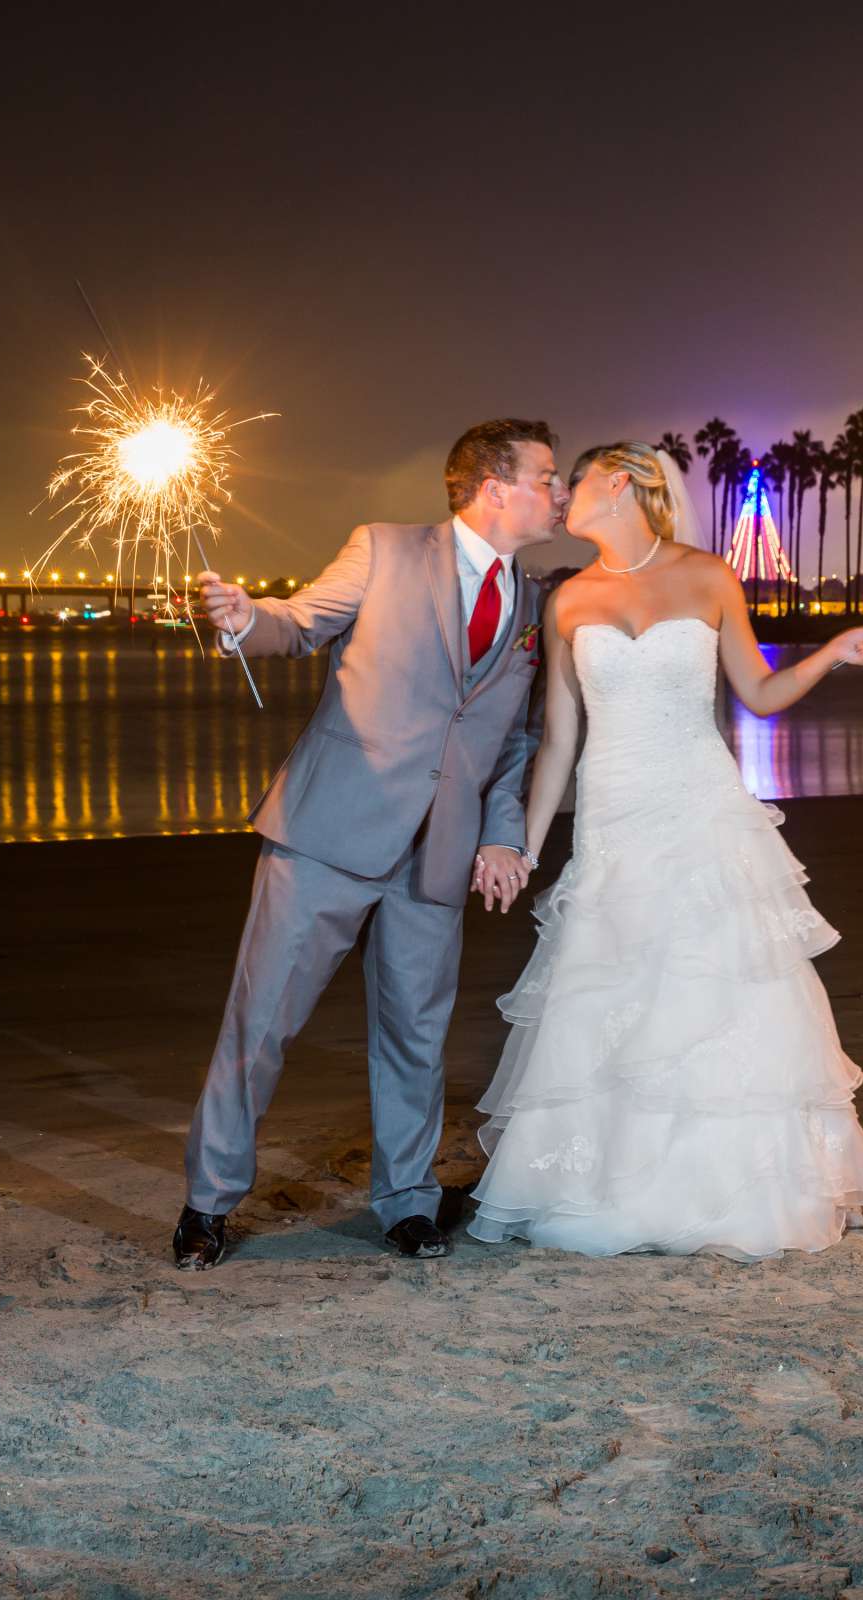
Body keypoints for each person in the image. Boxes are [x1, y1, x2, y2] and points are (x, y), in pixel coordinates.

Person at [464, 440, 863, 1259]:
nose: (561, 496)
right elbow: (557, 743)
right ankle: (616, 1188)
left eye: (577, 482)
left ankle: (734, 1188)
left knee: (717, 989)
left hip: (700, 806)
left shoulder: (707, 576)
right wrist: (520, 847)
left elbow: (761, 696)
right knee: (618, 995)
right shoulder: (567, 600)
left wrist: (837, 650)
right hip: (613, 815)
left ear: (619, 485)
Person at [174, 418, 567, 1269]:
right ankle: (207, 1204)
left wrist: (501, 837)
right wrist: (246, 619)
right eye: (548, 476)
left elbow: (509, 743)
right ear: (494, 487)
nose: (560, 492)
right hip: (327, 833)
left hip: (438, 853)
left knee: (416, 1036)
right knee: (262, 1022)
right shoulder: (383, 549)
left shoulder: (532, 604)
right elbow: (302, 621)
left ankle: (407, 1201)